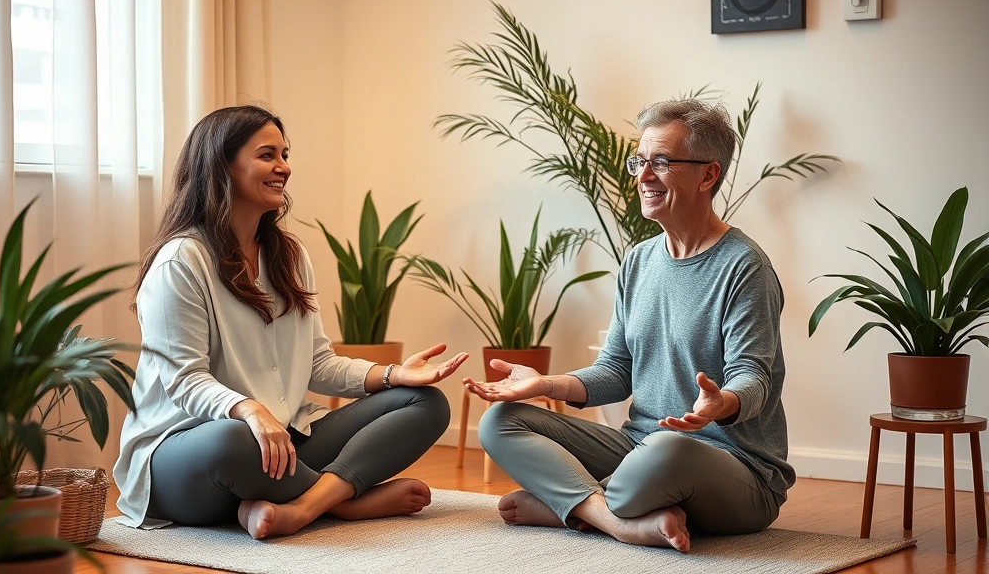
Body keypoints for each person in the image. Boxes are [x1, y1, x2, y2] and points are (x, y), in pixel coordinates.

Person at [114, 105, 468, 540]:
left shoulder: (289, 256)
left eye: (284, 154)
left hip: (280, 443)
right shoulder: (180, 262)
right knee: (233, 439)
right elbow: (184, 379)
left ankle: (303, 507)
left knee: (425, 402)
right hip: (187, 455)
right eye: (267, 155)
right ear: (221, 166)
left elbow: (317, 363)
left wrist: (394, 374)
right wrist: (250, 409)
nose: (283, 167)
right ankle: (344, 502)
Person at [468, 99, 794, 553]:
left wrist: (722, 403)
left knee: (667, 449)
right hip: (638, 450)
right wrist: (546, 383)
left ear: (707, 175)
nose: (642, 177)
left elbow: (753, 376)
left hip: (737, 469)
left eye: (661, 162)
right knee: (500, 421)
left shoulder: (744, 266)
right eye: (639, 162)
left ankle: (566, 505)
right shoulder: (639, 260)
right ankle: (619, 520)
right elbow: (616, 371)